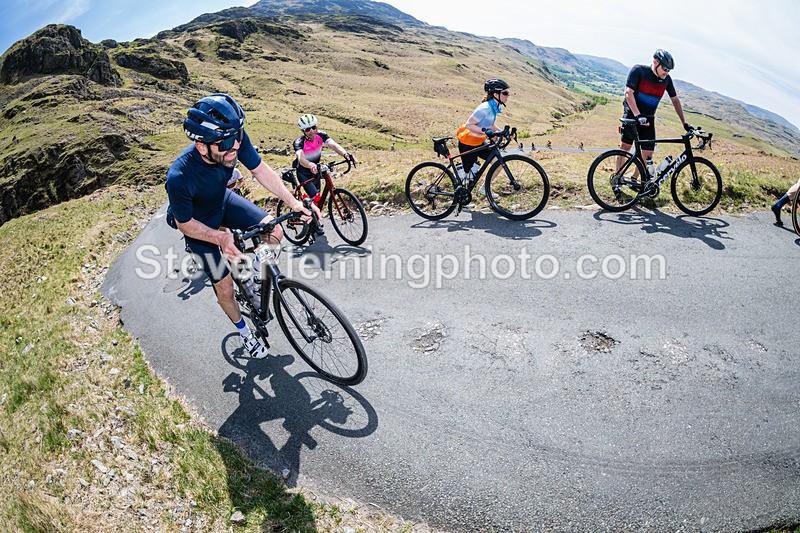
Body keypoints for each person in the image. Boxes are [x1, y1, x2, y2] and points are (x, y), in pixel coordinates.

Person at [165, 93, 315, 359]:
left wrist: (293, 202)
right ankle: (245, 333)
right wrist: (221, 240)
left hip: (223, 201)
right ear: (202, 147)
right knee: (224, 285)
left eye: (237, 138)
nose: (235, 148)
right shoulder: (179, 176)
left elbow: (259, 170)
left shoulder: (233, 139)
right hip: (199, 224)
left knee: (274, 229)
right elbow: (184, 223)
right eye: (226, 145)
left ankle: (256, 272)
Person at [619, 49, 693, 179]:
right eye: (665, 68)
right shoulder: (639, 71)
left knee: (647, 153)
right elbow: (628, 93)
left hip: (648, 117)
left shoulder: (666, 80)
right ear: (655, 62)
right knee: (625, 146)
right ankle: (617, 179)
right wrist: (637, 115)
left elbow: (675, 100)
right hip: (633, 113)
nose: (666, 72)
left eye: (669, 70)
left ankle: (634, 178)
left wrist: (684, 123)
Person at [293, 113, 357, 234]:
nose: (312, 131)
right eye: (308, 129)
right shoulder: (299, 142)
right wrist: (310, 164)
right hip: (304, 172)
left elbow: (333, 145)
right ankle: (310, 222)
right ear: (303, 131)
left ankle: (312, 217)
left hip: (316, 171)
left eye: (314, 127)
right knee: (315, 197)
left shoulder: (321, 135)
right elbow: (301, 158)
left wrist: (346, 154)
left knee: (317, 199)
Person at [457, 78, 510, 192]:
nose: (508, 95)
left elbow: (490, 125)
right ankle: (461, 200)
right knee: (468, 176)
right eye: (505, 93)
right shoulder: (485, 108)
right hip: (467, 142)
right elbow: (469, 125)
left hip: (479, 142)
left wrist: (503, 133)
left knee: (498, 164)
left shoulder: (493, 107)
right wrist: (485, 131)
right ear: (496, 94)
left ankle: (485, 189)